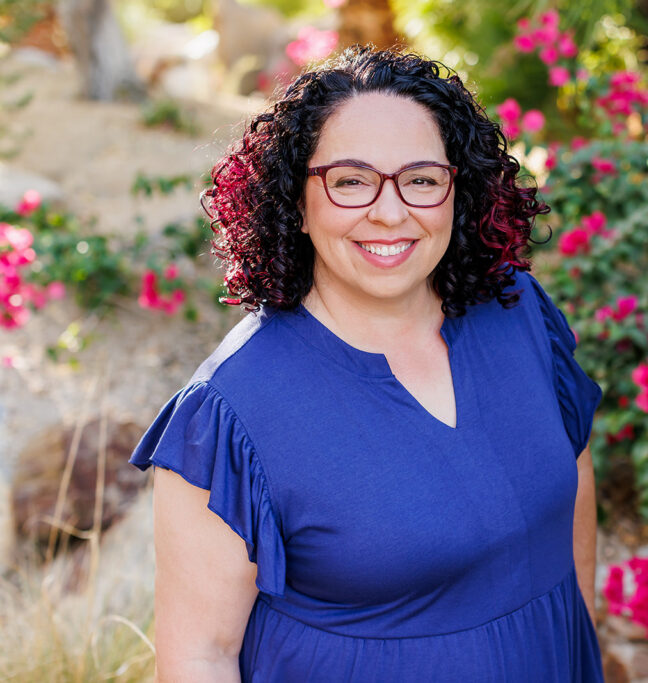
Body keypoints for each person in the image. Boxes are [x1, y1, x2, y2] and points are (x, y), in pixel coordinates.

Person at [130, 46, 604, 682]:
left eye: (422, 179)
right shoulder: (231, 412)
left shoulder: (518, 312)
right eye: (351, 181)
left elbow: (573, 485)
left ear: (458, 190)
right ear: (296, 202)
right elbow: (199, 657)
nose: (390, 211)